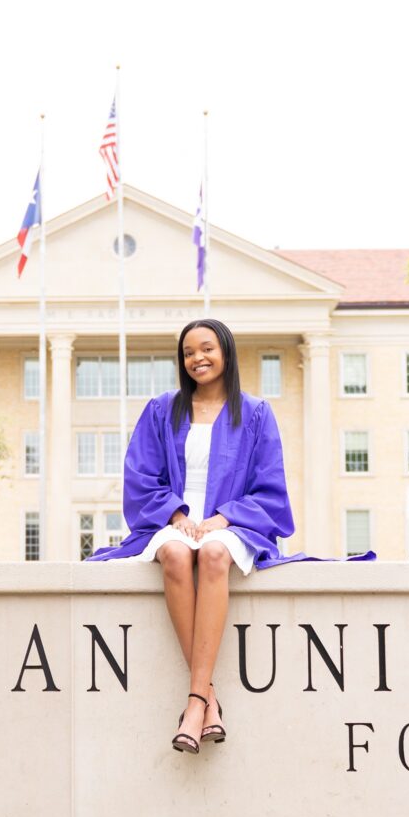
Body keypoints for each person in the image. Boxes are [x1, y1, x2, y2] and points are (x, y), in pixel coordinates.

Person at [88, 319, 303, 753]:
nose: (197, 358)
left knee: (213, 556)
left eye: (206, 348)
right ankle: (209, 702)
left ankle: (193, 704)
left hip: (234, 525)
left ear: (225, 352)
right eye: (188, 352)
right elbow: (140, 476)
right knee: (173, 554)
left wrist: (222, 520)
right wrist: (177, 514)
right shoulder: (162, 409)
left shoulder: (256, 413)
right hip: (174, 524)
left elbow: (270, 485)